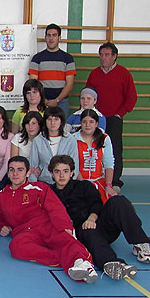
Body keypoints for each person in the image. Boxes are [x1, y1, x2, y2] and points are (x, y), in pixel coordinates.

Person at [0, 156, 98, 283]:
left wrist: (64, 226)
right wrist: (2, 227)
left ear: (27, 173)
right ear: (8, 173)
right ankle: (74, 264)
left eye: (20, 170)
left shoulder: (39, 187)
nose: (15, 173)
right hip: (26, 233)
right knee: (16, 247)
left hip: (47, 226)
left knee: (65, 239)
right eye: (11, 170)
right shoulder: (1, 195)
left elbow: (55, 207)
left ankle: (83, 264)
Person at [49, 155, 150, 280]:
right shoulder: (49, 193)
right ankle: (113, 264)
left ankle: (139, 243)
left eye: (65, 171)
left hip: (99, 225)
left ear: (72, 173)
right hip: (81, 234)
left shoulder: (84, 186)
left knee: (118, 202)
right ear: (51, 174)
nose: (61, 176)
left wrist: (92, 218)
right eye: (57, 171)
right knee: (88, 231)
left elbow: (97, 203)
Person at [86, 42, 137, 190]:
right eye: (101, 55)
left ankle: (114, 182)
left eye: (107, 55)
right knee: (94, 147)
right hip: (96, 119)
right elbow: (88, 94)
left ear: (114, 57)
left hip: (113, 119)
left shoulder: (124, 73)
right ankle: (95, 177)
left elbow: (132, 97)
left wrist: (119, 114)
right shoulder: (94, 74)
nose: (103, 58)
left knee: (114, 149)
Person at [28, 23, 76, 116]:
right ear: (45, 37)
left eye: (54, 35)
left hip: (62, 103)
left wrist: (57, 100)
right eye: (48, 35)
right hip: (41, 102)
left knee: (60, 129)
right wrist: (43, 99)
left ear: (59, 37)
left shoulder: (68, 59)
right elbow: (33, 82)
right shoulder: (37, 58)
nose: (51, 38)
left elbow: (70, 84)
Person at [74, 109, 116, 203]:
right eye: (84, 122)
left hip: (99, 181)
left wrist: (108, 185)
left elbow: (109, 163)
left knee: (111, 203)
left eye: (91, 122)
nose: (87, 125)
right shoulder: (73, 139)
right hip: (79, 181)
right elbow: (73, 166)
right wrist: (84, 186)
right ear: (80, 123)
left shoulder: (104, 138)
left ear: (96, 124)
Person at [29, 107, 77, 184]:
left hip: (66, 184)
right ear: (45, 121)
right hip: (44, 182)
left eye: (56, 119)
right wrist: (34, 185)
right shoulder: (38, 140)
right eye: (49, 119)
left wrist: (71, 185)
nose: (52, 123)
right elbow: (32, 167)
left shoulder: (70, 140)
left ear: (61, 122)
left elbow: (75, 165)